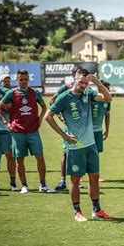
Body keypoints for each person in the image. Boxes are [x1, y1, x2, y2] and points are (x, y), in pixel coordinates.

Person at [45, 68, 115, 221]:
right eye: (81, 82)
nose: (83, 85)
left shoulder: (88, 93)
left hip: (91, 145)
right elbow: (48, 116)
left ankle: (97, 211)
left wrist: (97, 83)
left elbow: (108, 99)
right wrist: (63, 135)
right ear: (74, 79)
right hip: (76, 146)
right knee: (75, 179)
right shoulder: (64, 97)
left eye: (86, 83)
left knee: (94, 177)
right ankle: (77, 211)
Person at [0, 69, 55, 194]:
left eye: (26, 79)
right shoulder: (12, 93)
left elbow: (44, 107)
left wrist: (39, 120)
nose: (23, 82)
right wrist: (6, 123)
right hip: (17, 132)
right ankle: (24, 186)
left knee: (40, 157)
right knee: (20, 159)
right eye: (21, 79)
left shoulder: (35, 92)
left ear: (29, 79)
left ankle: (43, 185)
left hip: (33, 131)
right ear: (17, 80)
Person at [50, 66, 81, 191]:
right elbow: (52, 101)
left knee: (80, 152)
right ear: (74, 75)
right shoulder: (66, 88)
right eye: (78, 75)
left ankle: (77, 180)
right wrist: (60, 116)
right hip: (68, 127)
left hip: (81, 127)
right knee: (66, 153)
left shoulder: (85, 88)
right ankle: (62, 181)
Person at [91, 80, 111, 182]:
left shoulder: (107, 101)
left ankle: (96, 175)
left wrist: (107, 130)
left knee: (96, 153)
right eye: (105, 88)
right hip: (88, 131)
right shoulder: (92, 98)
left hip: (98, 131)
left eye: (108, 89)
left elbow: (107, 115)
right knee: (84, 152)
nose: (107, 90)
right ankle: (80, 176)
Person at [0, 73, 13, 172]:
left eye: (8, 81)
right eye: (5, 81)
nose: (7, 83)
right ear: (0, 82)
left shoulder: (11, 92)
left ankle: (14, 164)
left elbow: (9, 107)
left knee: (8, 145)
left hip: (8, 122)